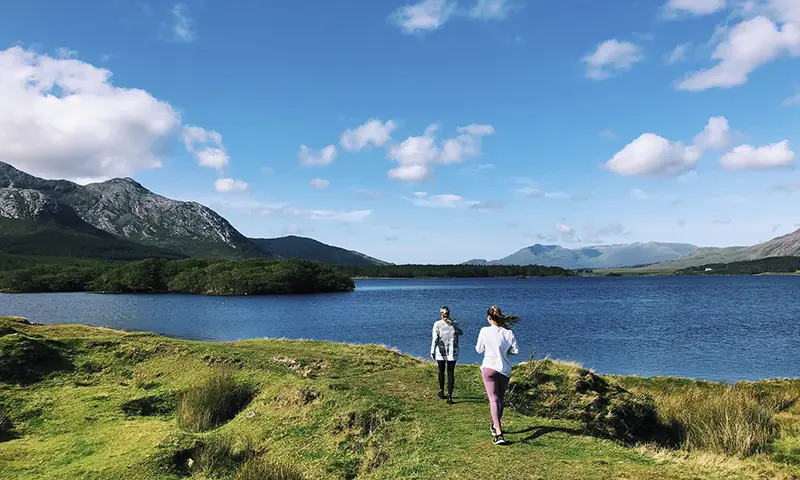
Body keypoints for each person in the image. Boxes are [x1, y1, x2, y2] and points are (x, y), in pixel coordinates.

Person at [475, 305, 519, 445]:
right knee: (500, 400)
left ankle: (498, 432)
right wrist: (504, 352)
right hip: (504, 370)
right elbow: (515, 351)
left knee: (493, 400)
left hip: (488, 368)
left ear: (489, 318)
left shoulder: (484, 331)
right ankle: (495, 426)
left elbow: (478, 349)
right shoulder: (508, 333)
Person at [430, 306, 463, 404]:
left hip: (441, 351)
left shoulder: (437, 324)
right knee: (450, 372)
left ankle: (441, 391)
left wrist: (432, 350)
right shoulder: (455, 323)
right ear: (449, 313)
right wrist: (454, 325)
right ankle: (449, 396)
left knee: (441, 370)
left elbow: (435, 339)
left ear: (441, 314)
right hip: (453, 352)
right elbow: (461, 333)